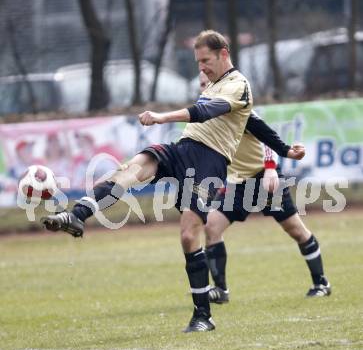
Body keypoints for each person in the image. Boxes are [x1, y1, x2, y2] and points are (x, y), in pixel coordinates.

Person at [41, 30, 253, 332]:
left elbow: (207, 112)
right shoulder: (213, 83)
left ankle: (203, 316)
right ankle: (76, 215)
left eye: (205, 60)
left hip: (210, 162)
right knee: (130, 169)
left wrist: (162, 117)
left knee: (188, 236)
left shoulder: (238, 85)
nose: (201, 67)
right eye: (198, 62)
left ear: (224, 53)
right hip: (183, 149)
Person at [200, 72, 331, 303]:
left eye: (208, 83)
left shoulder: (240, 112)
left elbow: (267, 138)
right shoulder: (205, 117)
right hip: (237, 184)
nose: (204, 88)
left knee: (296, 231)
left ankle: (321, 283)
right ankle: (221, 291)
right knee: (211, 226)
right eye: (201, 84)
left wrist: (270, 168)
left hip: (263, 176)